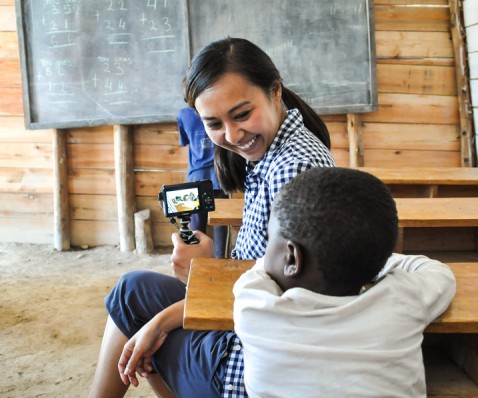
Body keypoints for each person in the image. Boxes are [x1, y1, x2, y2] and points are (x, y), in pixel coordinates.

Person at [89, 37, 334, 397]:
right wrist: (205, 277)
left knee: (141, 324)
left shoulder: (291, 167)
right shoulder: (277, 149)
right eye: (213, 123)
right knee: (132, 292)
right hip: (244, 316)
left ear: (275, 90)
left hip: (250, 357)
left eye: (241, 114)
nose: (232, 135)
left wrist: (200, 284)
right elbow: (262, 270)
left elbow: (279, 297)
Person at [93, 167, 457, 397]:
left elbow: (249, 274)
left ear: (293, 258)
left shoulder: (257, 304)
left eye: (269, 241)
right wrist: (365, 256)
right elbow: (438, 272)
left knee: (144, 324)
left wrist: (203, 267)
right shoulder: (404, 298)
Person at [177, 78, 228, 258]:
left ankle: (196, 261)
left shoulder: (183, 115)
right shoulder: (217, 111)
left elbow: (184, 141)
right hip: (219, 175)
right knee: (221, 222)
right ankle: (221, 260)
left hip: (195, 176)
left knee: (196, 224)